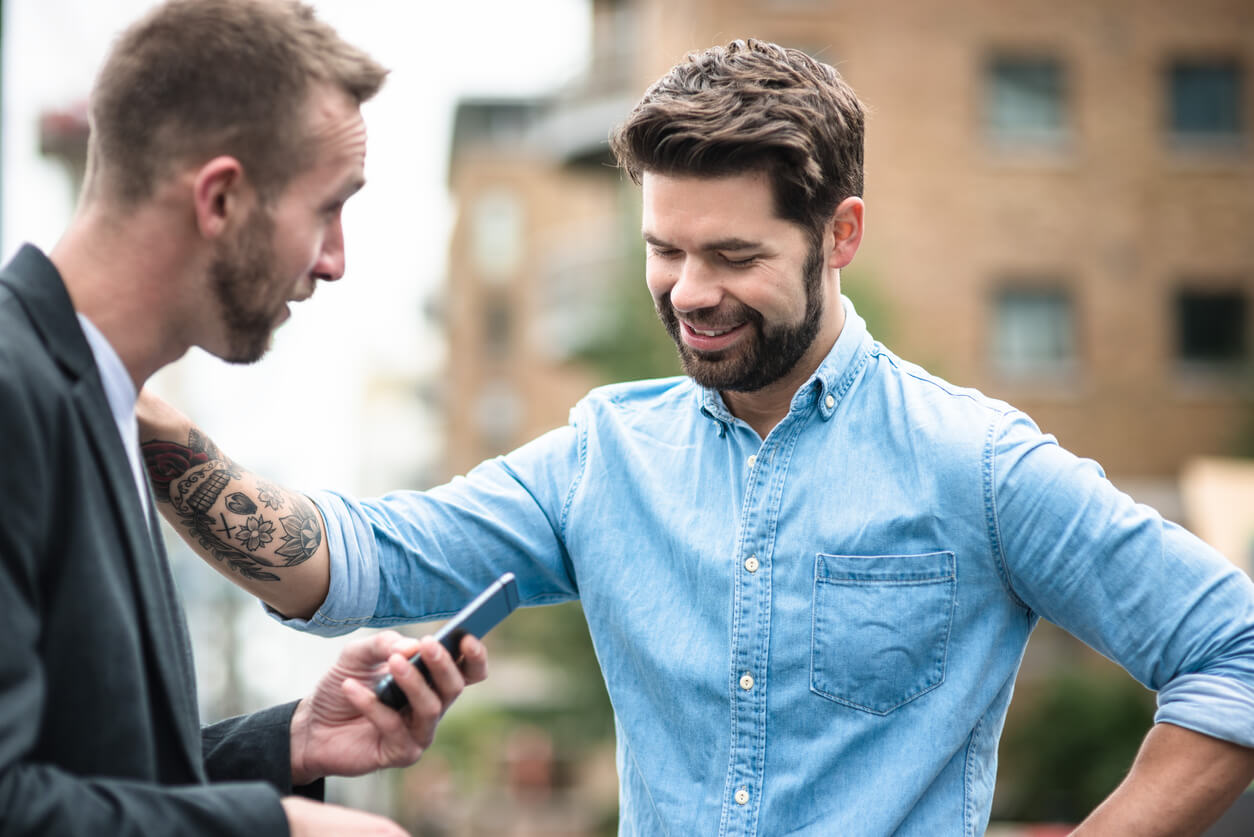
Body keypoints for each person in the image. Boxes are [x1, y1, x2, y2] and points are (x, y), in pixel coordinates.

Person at [138, 39, 1254, 835]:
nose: (689, 294)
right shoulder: (600, 458)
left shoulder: (979, 464)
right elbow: (344, 564)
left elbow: (1235, 655)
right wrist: (125, 402)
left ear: (839, 235)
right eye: (664, 250)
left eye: (733, 257)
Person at [0, 1, 488, 835]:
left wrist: (286, 744)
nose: (336, 260)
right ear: (221, 198)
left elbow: (92, 769)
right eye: (328, 208)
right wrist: (282, 828)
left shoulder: (102, 407)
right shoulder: (15, 396)